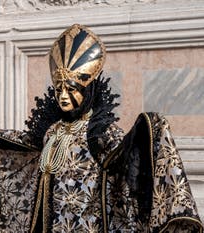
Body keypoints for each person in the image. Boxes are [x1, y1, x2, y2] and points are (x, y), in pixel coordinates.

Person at [26, 24, 203, 232]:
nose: (63, 96)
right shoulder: (52, 131)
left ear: (88, 89)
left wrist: (148, 131)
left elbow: (123, 166)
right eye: (59, 89)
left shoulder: (100, 131)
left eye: (71, 89)